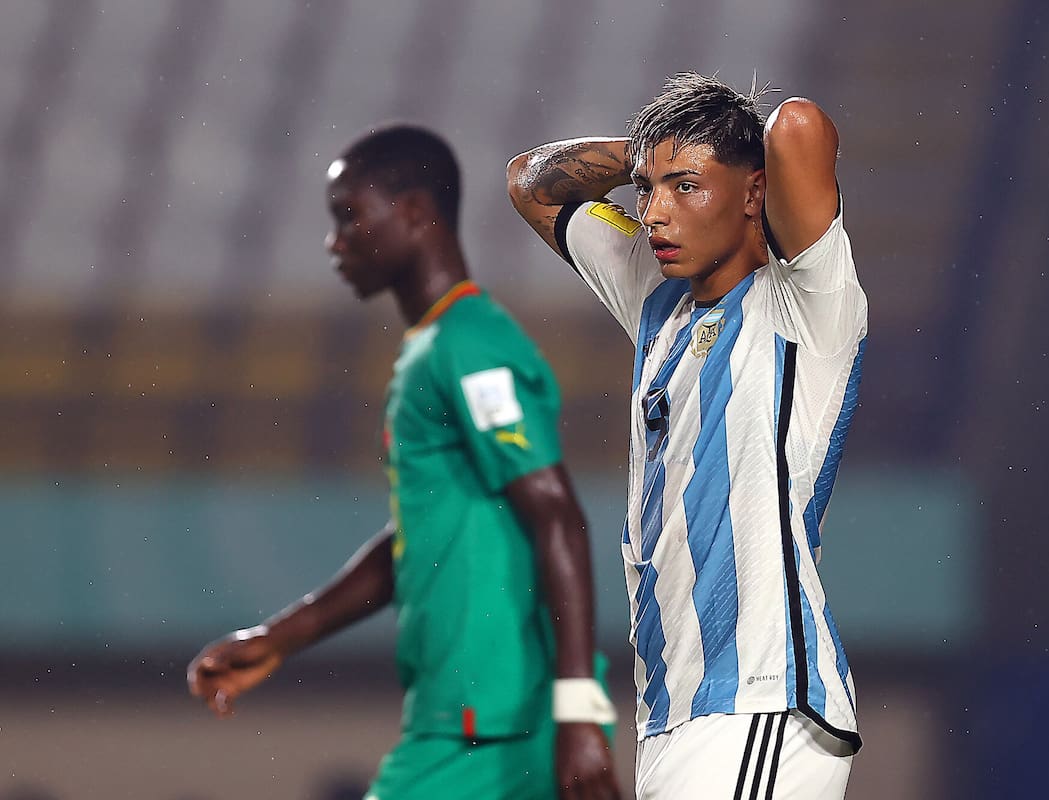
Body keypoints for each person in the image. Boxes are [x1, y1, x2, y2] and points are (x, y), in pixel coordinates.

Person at [188, 124, 620, 800]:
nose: (335, 242)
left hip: (497, 720)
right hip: (473, 714)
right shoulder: (435, 348)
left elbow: (557, 513)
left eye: (349, 216)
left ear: (415, 211)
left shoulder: (470, 345)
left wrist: (578, 713)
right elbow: (420, 539)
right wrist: (278, 638)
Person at [507, 73, 867, 799]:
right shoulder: (654, 297)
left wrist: (723, 135)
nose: (654, 214)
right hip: (676, 716)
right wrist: (652, 153)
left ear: (752, 193)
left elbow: (797, 126)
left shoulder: (807, 307)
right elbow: (530, 182)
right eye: (646, 190)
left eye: (686, 187)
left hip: (761, 700)